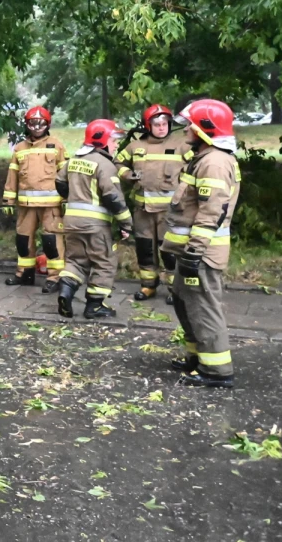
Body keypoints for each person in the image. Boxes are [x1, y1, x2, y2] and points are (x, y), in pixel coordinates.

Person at [161, 99, 240, 388]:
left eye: (190, 126)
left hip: (202, 254)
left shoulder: (215, 163)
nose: (185, 131)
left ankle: (216, 371)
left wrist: (194, 252)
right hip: (190, 251)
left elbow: (211, 211)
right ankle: (197, 357)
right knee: (186, 303)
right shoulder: (204, 158)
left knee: (203, 307)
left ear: (205, 128)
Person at [54, 120, 133, 319]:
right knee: (104, 262)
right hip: (96, 226)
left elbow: (60, 182)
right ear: (103, 140)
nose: (116, 145)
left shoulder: (75, 159)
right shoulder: (106, 165)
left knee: (75, 260)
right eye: (114, 140)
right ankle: (95, 306)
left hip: (71, 223)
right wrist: (126, 223)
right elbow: (113, 198)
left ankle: (66, 292)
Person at [115, 104, 192, 303]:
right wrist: (129, 175)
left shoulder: (181, 144)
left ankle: (175, 289)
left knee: (170, 251)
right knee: (145, 250)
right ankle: (148, 286)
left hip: (170, 212)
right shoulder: (136, 146)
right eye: (156, 124)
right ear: (148, 126)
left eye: (165, 123)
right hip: (143, 212)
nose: (161, 127)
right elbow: (118, 163)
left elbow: (196, 168)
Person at [1, 106, 67, 291]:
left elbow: (65, 174)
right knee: (23, 240)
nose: (36, 126)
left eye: (41, 123)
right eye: (32, 123)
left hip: (51, 206)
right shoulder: (19, 148)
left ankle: (56, 278)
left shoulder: (57, 146)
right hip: (26, 205)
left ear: (47, 124)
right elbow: (12, 176)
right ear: (27, 125)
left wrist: (67, 199)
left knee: (52, 242)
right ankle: (24, 273)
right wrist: (8, 200)